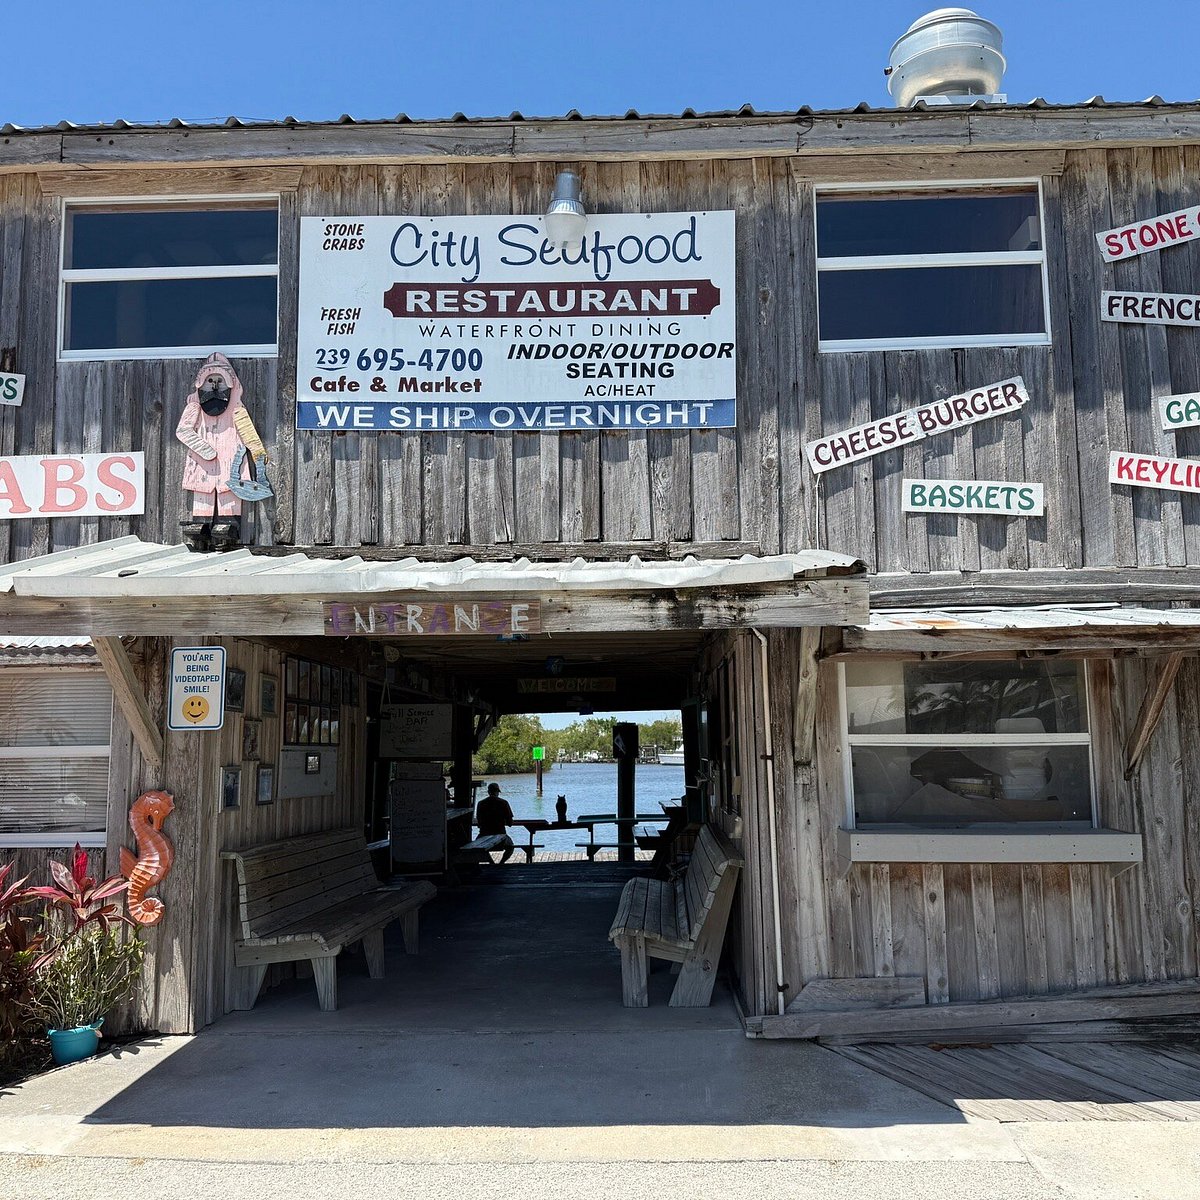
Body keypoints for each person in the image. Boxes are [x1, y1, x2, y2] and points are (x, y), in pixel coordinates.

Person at [475, 782, 515, 864]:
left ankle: (491, 863)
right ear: (497, 792)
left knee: (477, 849)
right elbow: (510, 823)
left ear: (488, 792)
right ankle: (501, 863)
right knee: (511, 847)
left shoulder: (481, 803)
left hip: (483, 835)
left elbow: (479, 823)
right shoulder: (504, 803)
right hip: (500, 835)